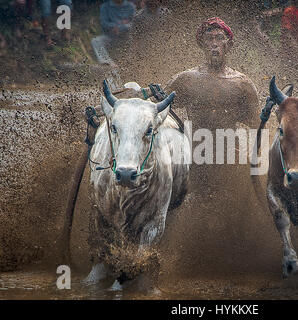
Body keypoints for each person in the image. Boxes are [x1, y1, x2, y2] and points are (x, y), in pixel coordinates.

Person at [161, 17, 267, 276]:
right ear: (201, 44)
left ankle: (232, 256)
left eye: (219, 38)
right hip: (194, 153)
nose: (214, 44)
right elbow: (160, 110)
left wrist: (256, 162)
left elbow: (256, 127)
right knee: (179, 201)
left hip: (229, 155)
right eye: (209, 39)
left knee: (233, 205)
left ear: (229, 44)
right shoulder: (186, 79)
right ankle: (173, 252)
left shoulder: (243, 84)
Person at [91, 0, 136, 66]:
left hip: (127, 36)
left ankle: (132, 62)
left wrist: (121, 27)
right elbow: (103, 23)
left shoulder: (131, 6)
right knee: (96, 41)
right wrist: (113, 27)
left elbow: (135, 23)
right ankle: (107, 63)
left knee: (136, 40)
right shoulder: (105, 7)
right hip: (111, 36)